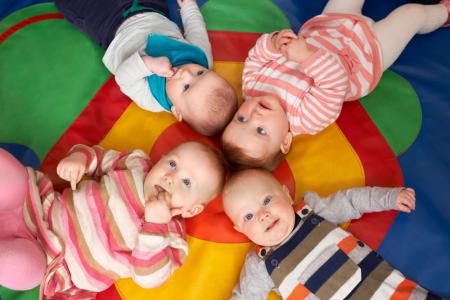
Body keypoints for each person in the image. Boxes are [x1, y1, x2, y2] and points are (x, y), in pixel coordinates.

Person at [222, 0, 450, 169]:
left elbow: (256, 57)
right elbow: (334, 83)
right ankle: (442, 13)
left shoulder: (252, 88)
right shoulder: (306, 119)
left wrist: (272, 44)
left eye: (240, 119)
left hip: (328, 26)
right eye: (260, 131)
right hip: (365, 55)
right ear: (285, 141)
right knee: (411, 14)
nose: (253, 117)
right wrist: (306, 57)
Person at [0, 141, 225, 299]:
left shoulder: (171, 238)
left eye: (186, 183)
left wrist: (155, 224)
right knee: (10, 173)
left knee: (22, 269)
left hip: (51, 261)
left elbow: (148, 278)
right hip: (39, 206)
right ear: (161, 159)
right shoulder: (138, 165)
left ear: (191, 210)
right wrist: (80, 159)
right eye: (173, 164)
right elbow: (99, 157)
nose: (170, 177)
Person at [222, 169, 442, 299]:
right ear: (241, 231)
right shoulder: (259, 265)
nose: (262, 215)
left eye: (267, 200)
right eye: (248, 217)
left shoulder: (314, 211)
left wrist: (388, 198)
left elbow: (351, 200)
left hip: (387, 291)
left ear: (287, 195)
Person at [55, 0, 237, 136]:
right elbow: (196, 29)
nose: (186, 73)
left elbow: (123, 77)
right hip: (150, 7)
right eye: (200, 73)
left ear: (176, 111)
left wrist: (147, 64)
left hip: (110, 26)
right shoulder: (201, 56)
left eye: (186, 87)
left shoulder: (151, 99)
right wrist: (189, 6)